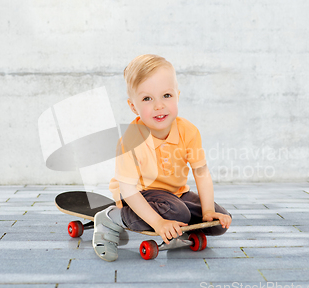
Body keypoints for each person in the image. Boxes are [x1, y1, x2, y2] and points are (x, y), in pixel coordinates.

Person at [92, 54, 232, 262]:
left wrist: (209, 210)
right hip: (138, 195)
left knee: (218, 222)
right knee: (178, 213)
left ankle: (178, 227)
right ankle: (111, 218)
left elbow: (201, 173)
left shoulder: (188, 131)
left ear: (177, 95)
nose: (159, 105)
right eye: (147, 98)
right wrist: (158, 223)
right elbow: (128, 190)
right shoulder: (131, 140)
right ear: (133, 106)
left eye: (166, 95)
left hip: (175, 194)